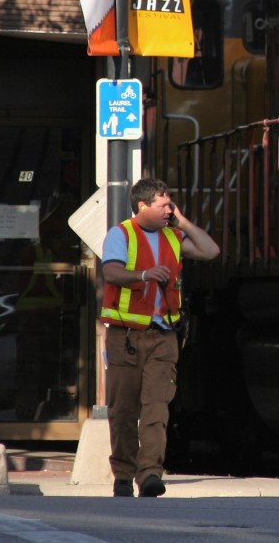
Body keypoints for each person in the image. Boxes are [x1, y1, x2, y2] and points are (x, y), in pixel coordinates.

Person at [99, 178, 220, 497]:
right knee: (123, 409)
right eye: (164, 205)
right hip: (125, 335)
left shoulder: (173, 235)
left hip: (164, 335)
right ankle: (123, 474)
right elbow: (111, 273)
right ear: (143, 206)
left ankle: (150, 473)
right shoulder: (120, 234)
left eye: (171, 205)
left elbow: (211, 251)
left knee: (156, 408)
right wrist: (143, 275)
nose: (170, 210)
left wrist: (183, 221)